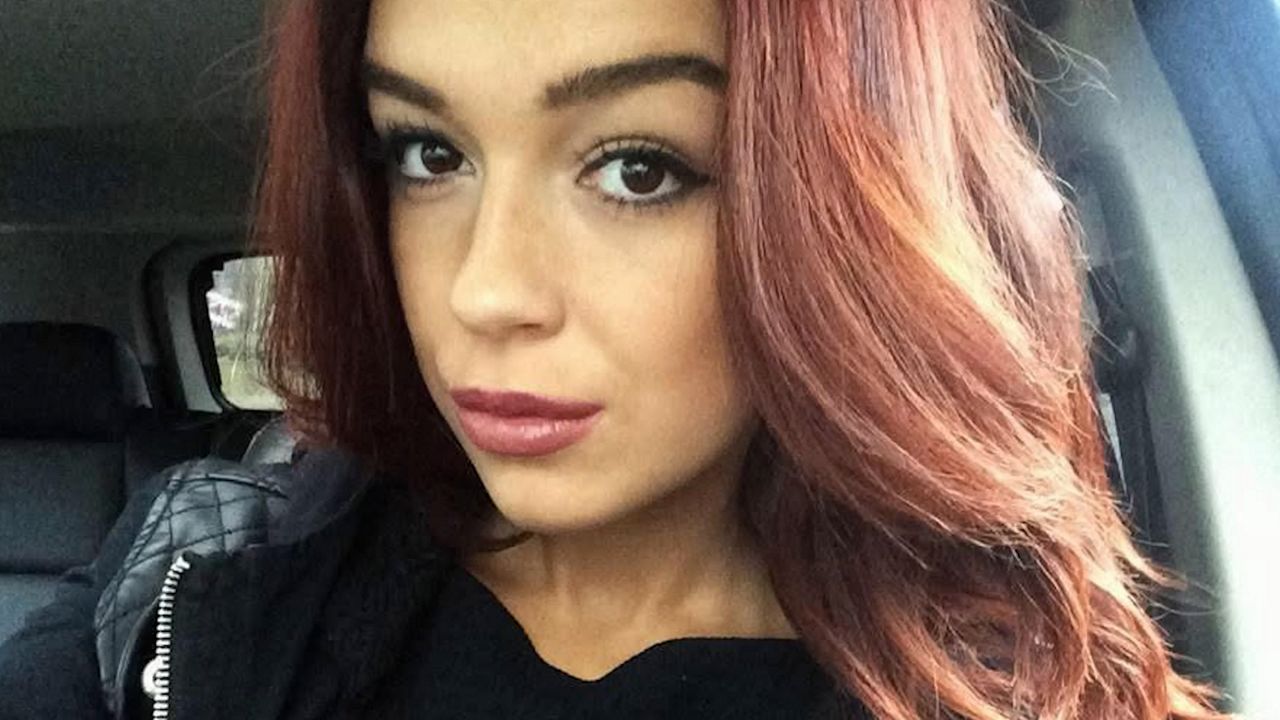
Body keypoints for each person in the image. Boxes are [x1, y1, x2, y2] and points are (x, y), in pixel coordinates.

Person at [0, 1, 1230, 718]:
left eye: (638, 168)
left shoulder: (1015, 687)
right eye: (427, 154)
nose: (484, 291)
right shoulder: (200, 567)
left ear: (849, 225)